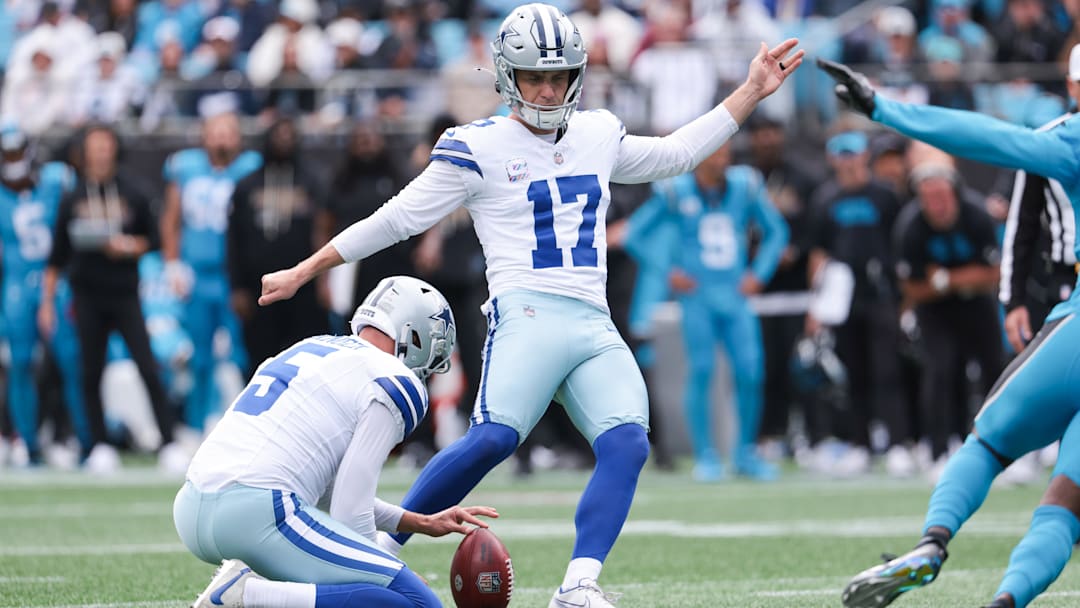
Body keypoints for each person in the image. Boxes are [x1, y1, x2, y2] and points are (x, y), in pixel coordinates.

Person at [259, 4, 804, 604]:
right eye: (533, 77)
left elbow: (676, 154)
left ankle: (578, 585)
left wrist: (752, 91)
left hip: (593, 322)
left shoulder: (598, 132)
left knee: (628, 444)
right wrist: (309, 268)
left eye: (559, 76)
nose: (547, 90)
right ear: (505, 76)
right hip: (527, 314)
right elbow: (398, 218)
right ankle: (376, 556)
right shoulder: (479, 145)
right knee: (494, 439)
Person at [820, 56, 1080, 608]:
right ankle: (1007, 599)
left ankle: (932, 544)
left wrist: (883, 107)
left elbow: (986, 136)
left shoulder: (1070, 136)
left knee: (986, 444)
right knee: (1066, 504)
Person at [175, 275, 491, 608]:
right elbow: (349, 507)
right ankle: (249, 594)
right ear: (414, 334)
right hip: (258, 514)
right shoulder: (394, 379)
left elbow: (324, 486)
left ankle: (253, 588)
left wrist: (416, 522)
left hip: (193, 505)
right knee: (417, 603)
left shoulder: (312, 347)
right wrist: (384, 570)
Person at [623, 142, 789, 482]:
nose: (722, 159)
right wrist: (668, 270)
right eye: (715, 152)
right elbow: (635, 235)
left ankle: (744, 453)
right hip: (697, 297)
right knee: (701, 370)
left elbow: (777, 232)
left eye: (727, 152)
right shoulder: (675, 191)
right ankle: (706, 454)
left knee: (751, 371)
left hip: (735, 295)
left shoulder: (745, 186)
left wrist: (759, 273)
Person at [40, 124, 178, 472]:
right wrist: (47, 302)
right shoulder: (73, 197)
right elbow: (56, 256)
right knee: (90, 371)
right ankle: (99, 444)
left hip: (125, 293)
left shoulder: (133, 190)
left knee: (147, 366)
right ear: (84, 152)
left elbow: (155, 239)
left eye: (105, 145)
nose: (100, 152)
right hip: (87, 295)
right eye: (94, 146)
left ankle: (169, 440)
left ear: (114, 149)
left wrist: (129, 246)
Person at [893, 162, 1005, 473]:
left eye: (941, 196)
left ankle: (1005, 447)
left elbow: (993, 274)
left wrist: (945, 279)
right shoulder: (910, 226)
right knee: (939, 371)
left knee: (995, 371)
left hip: (978, 304)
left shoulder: (976, 215)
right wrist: (960, 279)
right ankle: (939, 450)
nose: (937, 205)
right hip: (935, 310)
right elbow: (913, 287)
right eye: (928, 197)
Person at [161, 111, 261, 432]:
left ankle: (248, 427)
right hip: (198, 274)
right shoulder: (186, 167)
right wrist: (173, 264)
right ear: (203, 135)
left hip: (235, 277)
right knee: (200, 356)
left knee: (244, 354)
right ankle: (195, 425)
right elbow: (172, 219)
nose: (221, 138)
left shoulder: (250, 168)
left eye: (228, 131)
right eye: (215, 131)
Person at [0, 124, 90, 465]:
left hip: (57, 282)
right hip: (17, 285)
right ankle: (28, 441)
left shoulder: (55, 181)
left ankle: (84, 441)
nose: (12, 160)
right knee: (20, 363)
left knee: (71, 362)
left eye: (15, 152)